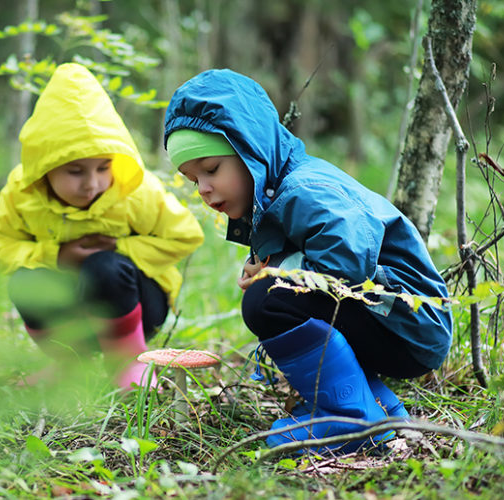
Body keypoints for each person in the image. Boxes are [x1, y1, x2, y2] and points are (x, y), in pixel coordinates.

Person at [163, 69, 452, 452]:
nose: (204, 188)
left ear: (251, 150)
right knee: (274, 293)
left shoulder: (305, 189)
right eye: (191, 178)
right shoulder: (279, 189)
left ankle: (349, 422)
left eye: (212, 169)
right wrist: (277, 264)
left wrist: (277, 271)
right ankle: (378, 404)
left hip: (408, 324)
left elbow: (349, 260)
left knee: (268, 298)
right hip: (397, 322)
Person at [0, 63, 204, 390]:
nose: (93, 184)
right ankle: (70, 363)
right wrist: (57, 255)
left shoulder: (136, 193)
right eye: (75, 171)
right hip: (72, 310)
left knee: (106, 267)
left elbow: (185, 235)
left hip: (138, 306)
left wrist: (120, 248)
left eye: (103, 167)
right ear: (45, 168)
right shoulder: (23, 193)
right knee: (26, 280)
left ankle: (129, 363)